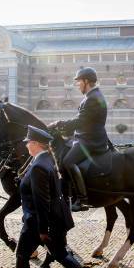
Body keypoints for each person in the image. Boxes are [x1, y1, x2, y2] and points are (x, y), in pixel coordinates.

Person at [0, 125, 99, 268]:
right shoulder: (46, 160)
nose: (26, 146)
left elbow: (42, 201)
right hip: (50, 221)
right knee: (59, 255)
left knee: (25, 255)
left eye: (28, 143)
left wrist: (43, 230)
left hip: (38, 223)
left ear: (35, 144)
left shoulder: (38, 166)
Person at [49, 67, 108, 211]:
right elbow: (80, 120)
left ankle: (83, 200)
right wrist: (64, 128)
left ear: (86, 81)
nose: (77, 85)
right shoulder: (92, 97)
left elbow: (80, 121)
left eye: (79, 81)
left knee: (67, 161)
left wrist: (59, 124)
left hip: (90, 141)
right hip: (86, 137)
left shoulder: (92, 99)